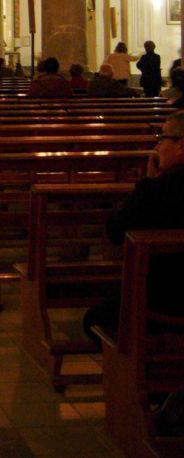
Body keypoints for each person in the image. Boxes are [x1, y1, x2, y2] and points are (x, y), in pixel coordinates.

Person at [83, 111, 184, 347]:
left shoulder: (155, 192)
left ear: (181, 146)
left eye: (162, 138)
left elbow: (115, 232)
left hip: (160, 304)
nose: (157, 146)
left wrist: (150, 182)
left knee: (94, 321)